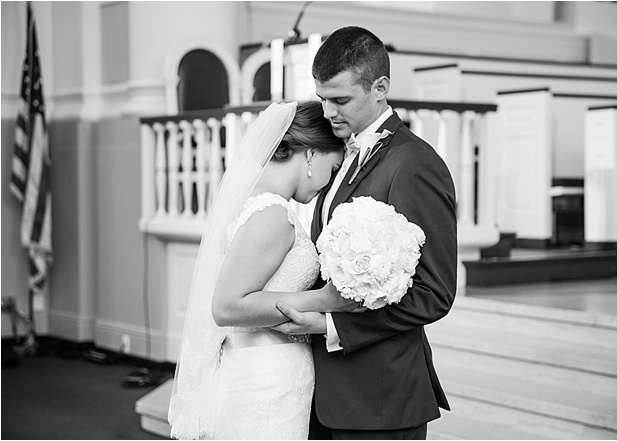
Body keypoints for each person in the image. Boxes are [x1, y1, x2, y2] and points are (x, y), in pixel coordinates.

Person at [273, 26, 458, 440]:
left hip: (380, 399)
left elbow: (435, 294)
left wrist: (331, 326)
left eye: (341, 100)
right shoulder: (340, 154)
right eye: (323, 99)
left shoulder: (414, 165)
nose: (328, 113)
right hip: (323, 393)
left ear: (380, 87)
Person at [168, 101, 359, 440]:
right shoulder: (272, 213)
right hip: (266, 379)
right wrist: (325, 299)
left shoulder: (257, 202)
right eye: (334, 167)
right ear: (312, 155)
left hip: (260, 368)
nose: (328, 183)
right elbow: (227, 306)